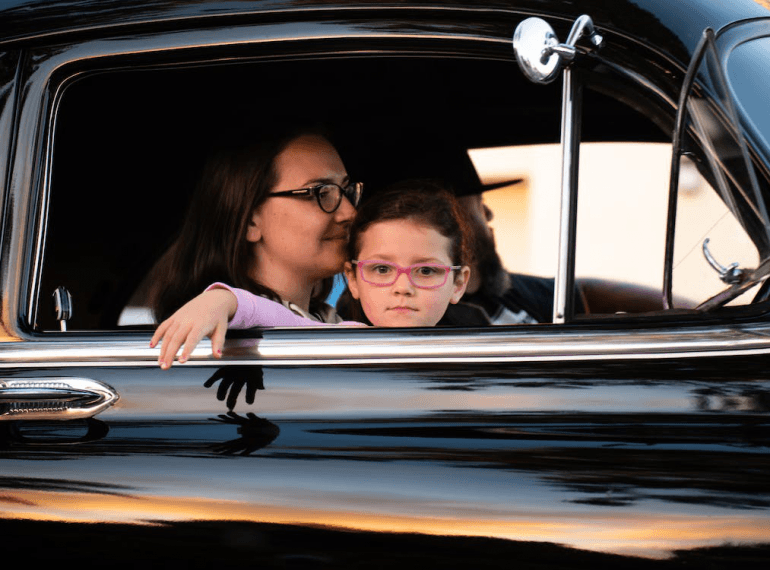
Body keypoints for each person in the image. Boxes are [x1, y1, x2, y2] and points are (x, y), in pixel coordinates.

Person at [151, 181, 471, 365]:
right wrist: (223, 300)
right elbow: (279, 316)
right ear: (353, 280)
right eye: (382, 269)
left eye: (426, 270)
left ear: (458, 284)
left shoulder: (476, 353)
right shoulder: (344, 339)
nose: (403, 287)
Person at [150, 124, 362, 368]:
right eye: (320, 192)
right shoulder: (221, 341)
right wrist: (224, 301)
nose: (349, 212)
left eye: (345, 190)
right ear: (250, 220)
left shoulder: (331, 319)